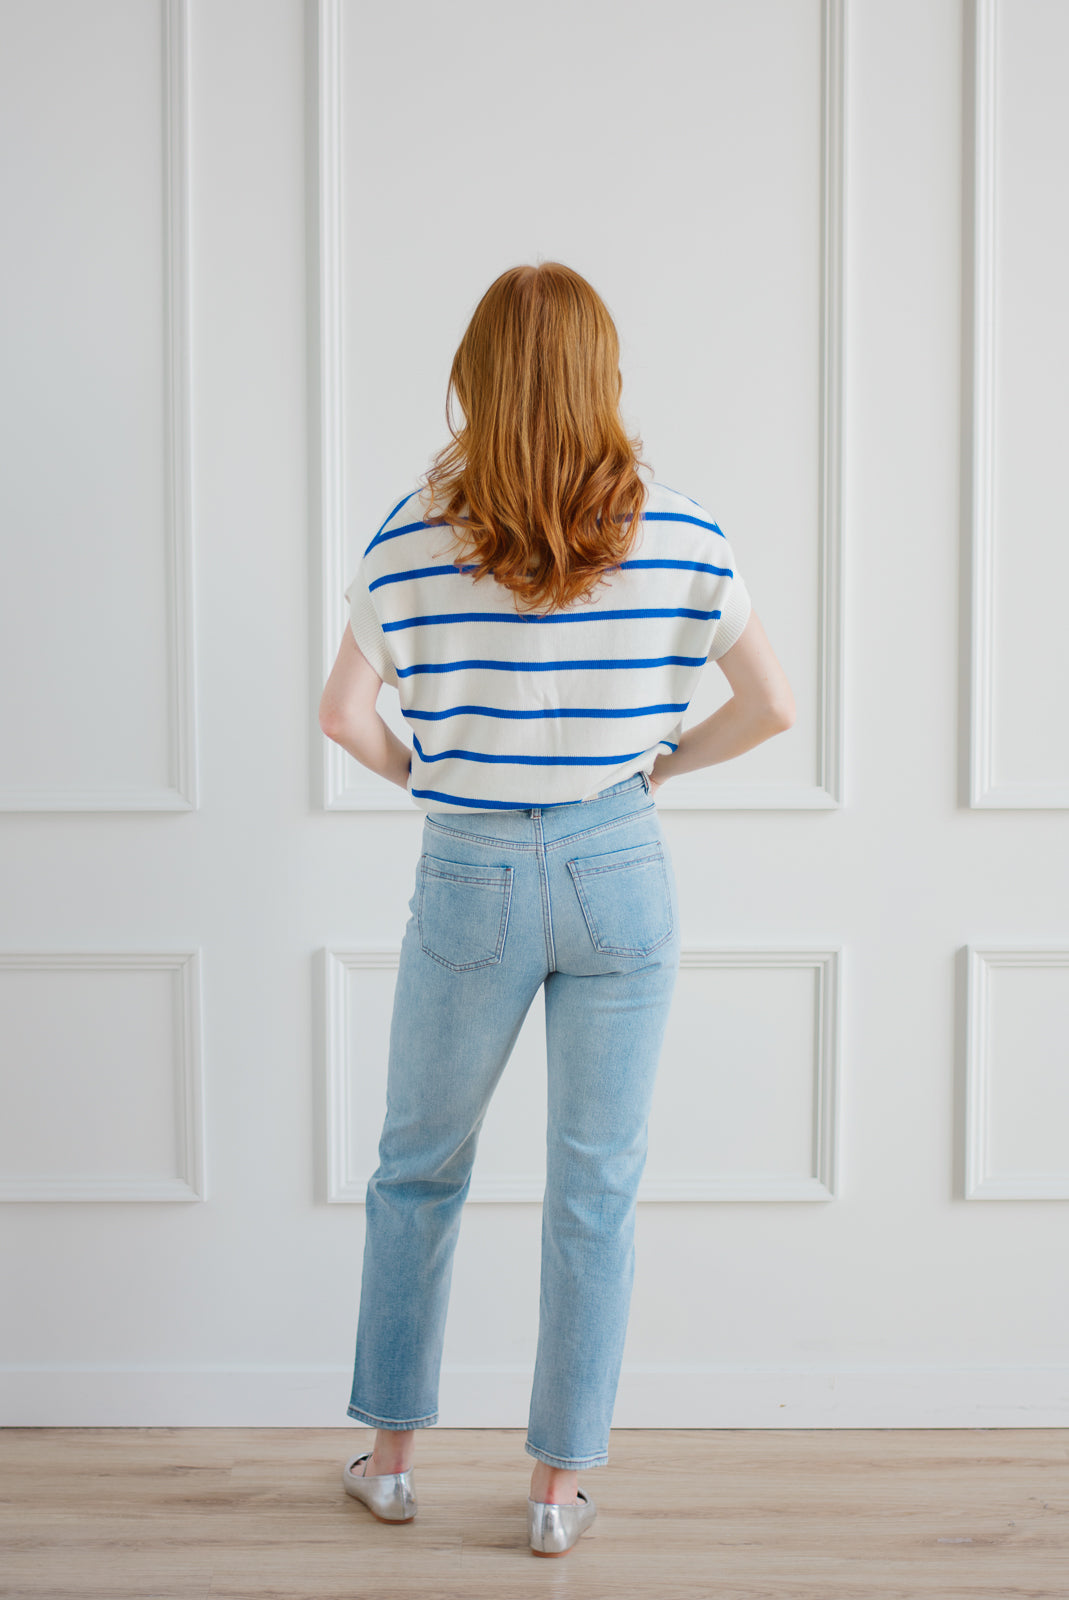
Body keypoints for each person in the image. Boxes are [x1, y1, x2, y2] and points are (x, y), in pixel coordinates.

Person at [319, 261, 795, 1556]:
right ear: (603, 377)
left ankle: (395, 1463)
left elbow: (341, 717)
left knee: (417, 1171)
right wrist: (657, 763)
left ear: (474, 377)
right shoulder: (682, 532)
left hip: (467, 868)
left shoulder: (409, 533)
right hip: (617, 869)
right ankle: (550, 1491)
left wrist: (432, 770)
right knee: (596, 1187)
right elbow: (770, 707)